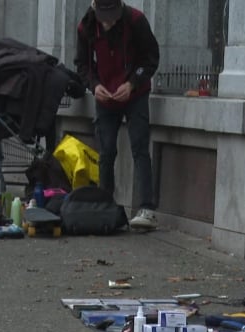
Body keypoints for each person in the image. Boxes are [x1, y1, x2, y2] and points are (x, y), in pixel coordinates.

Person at [75, 0, 160, 229]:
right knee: (106, 150)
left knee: (140, 147)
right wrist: (94, 86)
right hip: (105, 96)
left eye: (113, 15)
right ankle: (106, 205)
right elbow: (81, 64)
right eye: (105, 16)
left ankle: (147, 208)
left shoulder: (136, 20)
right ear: (95, 8)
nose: (109, 21)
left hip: (136, 93)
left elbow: (151, 57)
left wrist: (133, 83)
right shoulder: (85, 28)